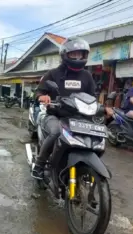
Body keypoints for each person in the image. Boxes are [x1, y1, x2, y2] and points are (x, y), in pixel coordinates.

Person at [32, 37, 96, 180]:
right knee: (55, 132)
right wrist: (42, 97)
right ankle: (39, 165)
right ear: (65, 55)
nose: (78, 57)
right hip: (55, 115)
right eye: (74, 54)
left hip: (77, 117)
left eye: (81, 54)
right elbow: (38, 92)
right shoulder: (53, 74)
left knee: (94, 135)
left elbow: (92, 97)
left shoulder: (87, 76)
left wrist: (104, 108)